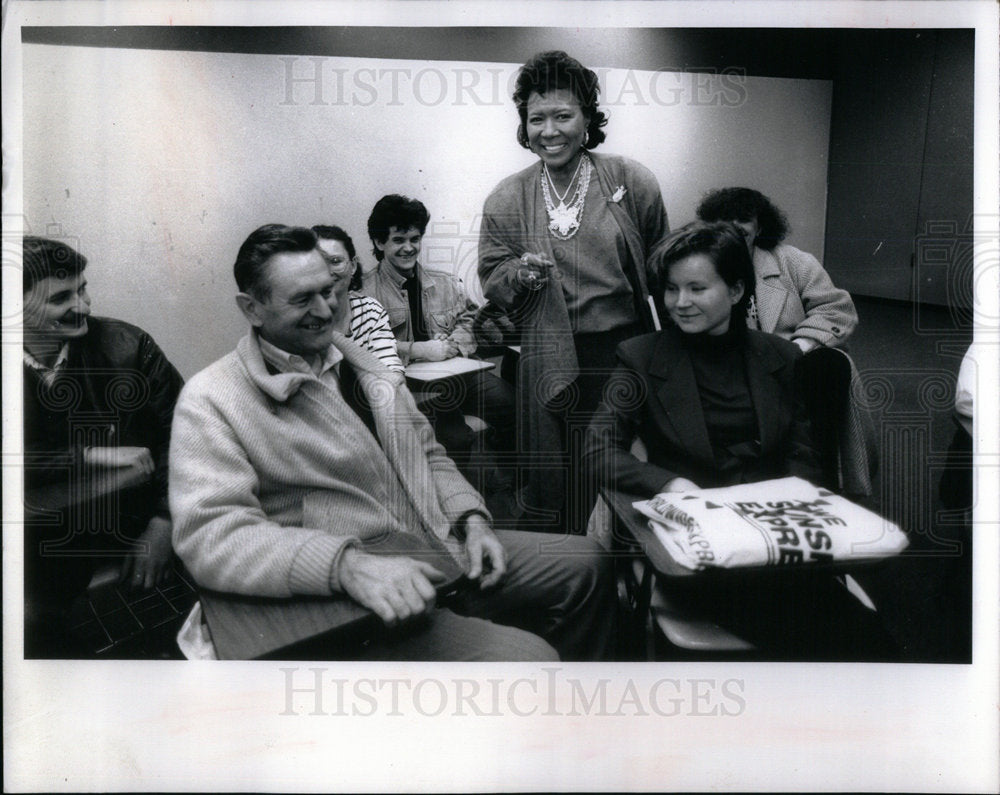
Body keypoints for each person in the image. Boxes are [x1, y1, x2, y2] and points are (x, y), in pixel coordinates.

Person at [169, 224, 616, 661]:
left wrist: (473, 519)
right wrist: (345, 566)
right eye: (303, 299)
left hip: (440, 545)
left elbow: (428, 450)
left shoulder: (360, 362)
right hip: (356, 593)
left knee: (589, 564)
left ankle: (560, 707)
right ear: (251, 308)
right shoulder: (213, 399)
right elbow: (210, 535)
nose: (326, 311)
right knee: (530, 659)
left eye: (330, 290)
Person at [583, 222, 896, 660]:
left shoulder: (780, 355)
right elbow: (596, 450)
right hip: (703, 550)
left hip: (776, 540)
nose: (680, 303)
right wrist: (670, 485)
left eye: (696, 288)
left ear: (734, 291)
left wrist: (790, 502)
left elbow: (802, 452)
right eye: (671, 290)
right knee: (839, 640)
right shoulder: (639, 357)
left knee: (853, 636)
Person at [478, 50, 669, 534]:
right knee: (553, 472)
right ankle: (566, 575)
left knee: (611, 470)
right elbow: (491, 274)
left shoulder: (630, 179)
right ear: (524, 124)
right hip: (544, 352)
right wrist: (518, 274)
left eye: (563, 115)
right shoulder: (506, 196)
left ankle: (616, 577)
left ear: (587, 119)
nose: (549, 130)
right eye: (536, 118)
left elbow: (663, 264)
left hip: (619, 353)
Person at [22, 236, 184, 657]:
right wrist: (87, 456)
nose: (86, 306)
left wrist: (164, 521)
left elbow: (184, 435)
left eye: (83, 288)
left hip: (137, 520)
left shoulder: (130, 345)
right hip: (38, 546)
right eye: (62, 298)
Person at [695, 186, 857, 351]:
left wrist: (800, 347)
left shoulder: (795, 261)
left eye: (743, 218)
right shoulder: (696, 265)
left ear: (759, 228)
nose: (734, 225)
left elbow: (834, 310)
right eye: (726, 218)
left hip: (794, 359)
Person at [311, 224, 403, 371]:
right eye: (317, 263)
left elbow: (389, 367)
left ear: (353, 266)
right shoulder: (300, 316)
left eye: (335, 261)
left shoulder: (370, 311)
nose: (327, 271)